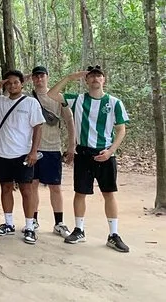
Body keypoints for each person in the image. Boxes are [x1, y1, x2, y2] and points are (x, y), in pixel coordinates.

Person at [47, 66, 130, 252]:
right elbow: (52, 94)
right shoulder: (78, 99)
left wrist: (110, 151)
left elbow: (121, 130)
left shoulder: (114, 103)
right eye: (91, 76)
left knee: (108, 193)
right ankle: (79, 230)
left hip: (105, 153)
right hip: (83, 153)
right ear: (86, 80)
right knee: (80, 192)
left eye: (98, 76)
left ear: (104, 80)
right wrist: (70, 77)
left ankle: (114, 234)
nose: (95, 79)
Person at [0, 70, 45, 245]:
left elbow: (38, 128)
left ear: (22, 84)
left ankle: (29, 226)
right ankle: (8, 223)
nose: (12, 85)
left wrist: (33, 151)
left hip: (23, 153)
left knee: (26, 190)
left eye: (16, 82)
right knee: (6, 188)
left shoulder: (31, 103)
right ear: (4, 85)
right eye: (9, 82)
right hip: (2, 152)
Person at [29, 66, 75, 238]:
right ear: (32, 79)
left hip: (53, 147)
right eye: (36, 76)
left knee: (55, 186)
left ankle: (59, 223)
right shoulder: (28, 98)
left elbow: (69, 120)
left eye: (42, 76)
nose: (39, 79)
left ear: (47, 77)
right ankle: (33, 220)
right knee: (32, 185)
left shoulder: (57, 97)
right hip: (33, 147)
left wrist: (71, 146)